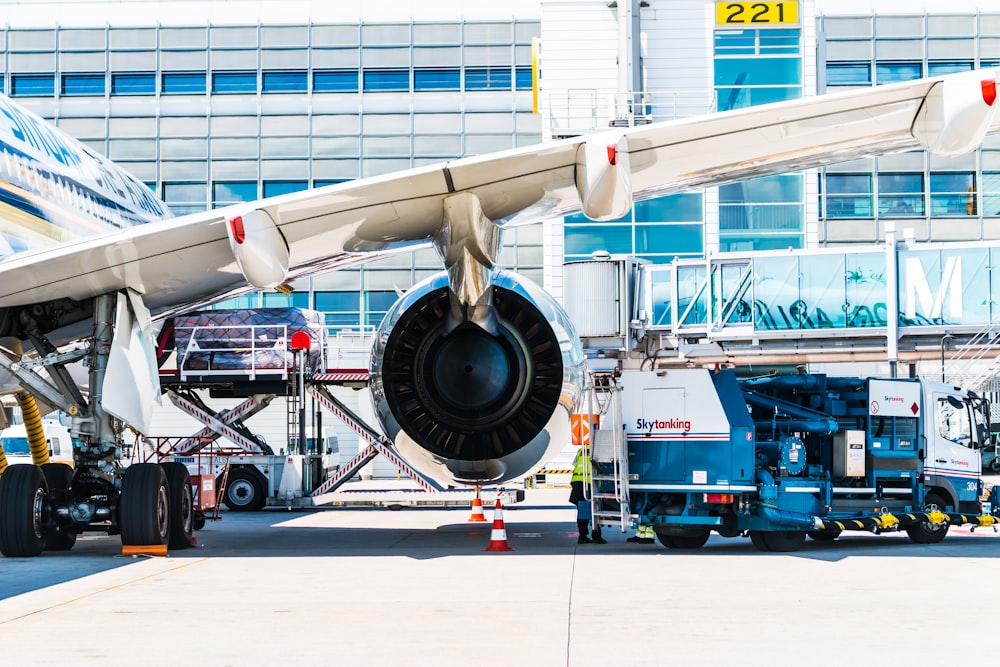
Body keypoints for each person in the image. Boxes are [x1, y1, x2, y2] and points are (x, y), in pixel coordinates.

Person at [570, 446, 605, 544]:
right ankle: (596, 536)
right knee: (595, 510)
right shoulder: (599, 450)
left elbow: (575, 464)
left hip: (577, 482)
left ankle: (583, 536)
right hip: (590, 483)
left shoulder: (581, 450)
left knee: (582, 511)